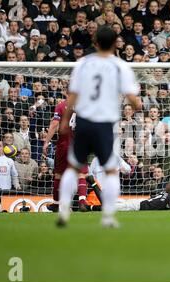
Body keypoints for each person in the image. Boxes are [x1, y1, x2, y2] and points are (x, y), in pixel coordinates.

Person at [57, 27, 141, 228]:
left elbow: (73, 96)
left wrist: (65, 122)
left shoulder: (83, 64)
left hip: (84, 121)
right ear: (115, 43)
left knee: (74, 166)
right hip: (104, 124)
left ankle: (63, 211)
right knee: (111, 171)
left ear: (95, 42)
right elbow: (133, 100)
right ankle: (108, 217)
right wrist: (137, 106)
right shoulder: (120, 66)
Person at [43, 100, 90, 213]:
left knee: (59, 175)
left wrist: (46, 142)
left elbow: (54, 124)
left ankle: (56, 204)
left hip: (64, 145)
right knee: (81, 174)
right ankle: (82, 202)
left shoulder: (61, 105)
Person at [91, 182, 170, 212]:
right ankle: (93, 184)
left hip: (141, 201)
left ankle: (89, 207)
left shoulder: (162, 193)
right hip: (139, 205)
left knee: (116, 202)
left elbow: (157, 201)